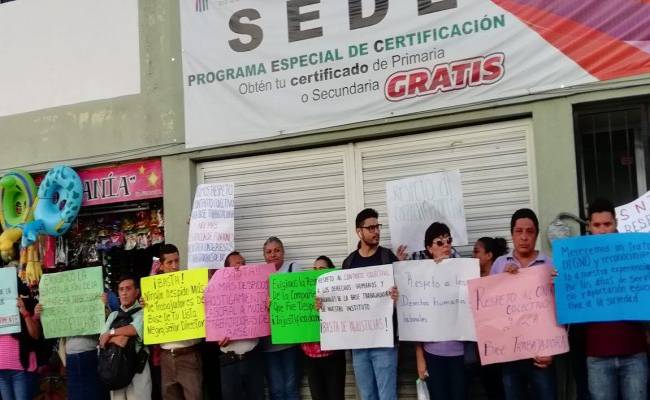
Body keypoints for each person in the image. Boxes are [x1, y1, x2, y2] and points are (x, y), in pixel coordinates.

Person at [582, 198, 647, 400]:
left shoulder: (635, 251)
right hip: (597, 355)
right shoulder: (577, 258)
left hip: (634, 352)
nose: (602, 230)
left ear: (616, 224)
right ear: (589, 227)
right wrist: (561, 279)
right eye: (597, 225)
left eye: (607, 224)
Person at [490, 208, 556, 400]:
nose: (524, 237)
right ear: (512, 234)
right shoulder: (500, 265)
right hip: (510, 354)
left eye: (530, 231)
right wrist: (503, 282)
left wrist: (552, 349)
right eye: (519, 231)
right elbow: (489, 309)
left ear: (536, 234)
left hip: (541, 355)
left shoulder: (550, 265)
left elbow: (560, 310)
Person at [341, 208, 399, 400]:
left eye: (378, 227)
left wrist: (397, 294)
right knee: (366, 396)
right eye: (371, 227)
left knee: (387, 395)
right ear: (359, 231)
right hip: (358, 344)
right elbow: (342, 299)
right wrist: (325, 305)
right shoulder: (349, 263)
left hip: (384, 342)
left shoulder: (387, 257)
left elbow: (405, 292)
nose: (377, 231)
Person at [415, 222, 467, 400]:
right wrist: (420, 358)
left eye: (448, 240)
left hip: (460, 353)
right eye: (439, 242)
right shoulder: (421, 277)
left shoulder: (464, 270)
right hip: (433, 354)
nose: (445, 245)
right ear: (429, 248)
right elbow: (414, 318)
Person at [154, 244, 203, 400]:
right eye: (170, 262)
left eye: (177, 261)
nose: (175, 266)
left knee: (194, 396)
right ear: (161, 265)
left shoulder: (191, 284)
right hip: (166, 356)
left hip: (189, 354)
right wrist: (145, 304)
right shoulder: (153, 289)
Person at [217, 251, 265, 400]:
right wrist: (215, 340)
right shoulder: (215, 293)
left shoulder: (257, 289)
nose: (243, 267)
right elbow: (209, 324)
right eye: (238, 264)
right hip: (229, 360)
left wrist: (268, 308)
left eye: (244, 263)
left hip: (253, 358)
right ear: (227, 269)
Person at [99, 274, 151, 400]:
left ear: (137, 291)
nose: (124, 293)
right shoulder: (114, 315)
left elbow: (134, 330)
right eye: (121, 289)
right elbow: (101, 340)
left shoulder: (145, 311)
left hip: (138, 370)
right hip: (115, 369)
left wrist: (111, 334)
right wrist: (121, 337)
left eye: (128, 288)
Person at [262, 237, 301, 400]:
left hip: (290, 343)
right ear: (264, 256)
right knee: (276, 390)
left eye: (277, 250)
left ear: (283, 252)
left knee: (291, 388)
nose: (273, 254)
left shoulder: (294, 269)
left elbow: (302, 298)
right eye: (269, 252)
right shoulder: (258, 275)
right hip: (268, 344)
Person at [302, 255, 345, 400]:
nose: (316, 272)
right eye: (314, 269)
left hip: (333, 356)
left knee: (335, 396)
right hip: (310, 357)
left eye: (321, 269)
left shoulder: (340, 292)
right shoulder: (303, 292)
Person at [472, 237, 508, 400]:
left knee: (506, 388)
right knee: (490, 389)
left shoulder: (503, 277)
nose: (473, 255)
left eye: (476, 251)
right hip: (482, 347)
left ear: (489, 255)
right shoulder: (473, 280)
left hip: (504, 345)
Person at [0, 272, 41, 400]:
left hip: (21, 369)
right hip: (1, 370)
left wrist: (24, 312)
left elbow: (35, 335)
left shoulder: (28, 305)